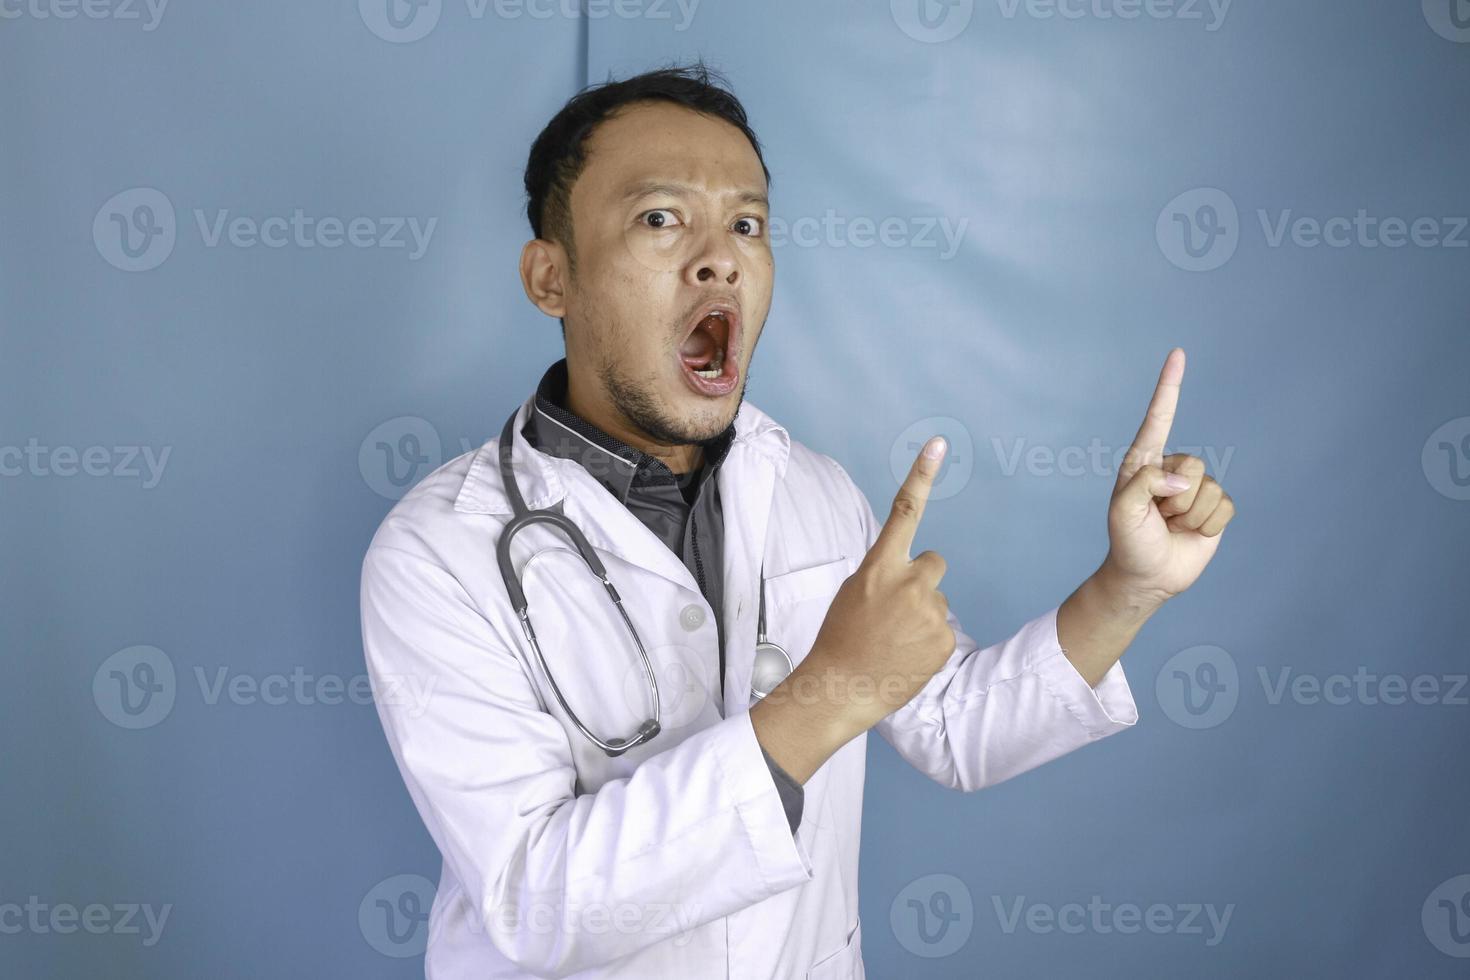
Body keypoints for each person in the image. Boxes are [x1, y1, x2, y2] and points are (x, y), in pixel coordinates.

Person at [359, 62, 1236, 979]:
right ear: (552, 277)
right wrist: (831, 693)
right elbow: (535, 903)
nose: (719, 256)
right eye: (660, 219)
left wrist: (1126, 590)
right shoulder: (438, 552)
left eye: (746, 224)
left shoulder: (815, 493)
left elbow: (957, 729)